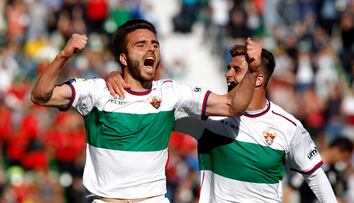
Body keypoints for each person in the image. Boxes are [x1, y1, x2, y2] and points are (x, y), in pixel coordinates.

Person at [31, 19, 262, 203]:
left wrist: (252, 70)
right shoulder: (96, 90)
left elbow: (232, 106)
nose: (150, 48)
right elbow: (40, 96)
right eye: (140, 45)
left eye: (154, 44)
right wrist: (64, 55)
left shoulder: (171, 93)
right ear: (123, 57)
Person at [106, 44, 338, 202]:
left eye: (236, 69)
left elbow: (315, 175)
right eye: (228, 67)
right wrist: (122, 78)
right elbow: (154, 106)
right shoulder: (209, 116)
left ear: (257, 78)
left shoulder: (289, 126)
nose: (227, 74)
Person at [284, 136, 353, 203]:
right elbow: (289, 190)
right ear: (335, 150)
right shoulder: (309, 165)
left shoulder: (335, 172)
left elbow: (339, 197)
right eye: (344, 158)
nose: (344, 162)